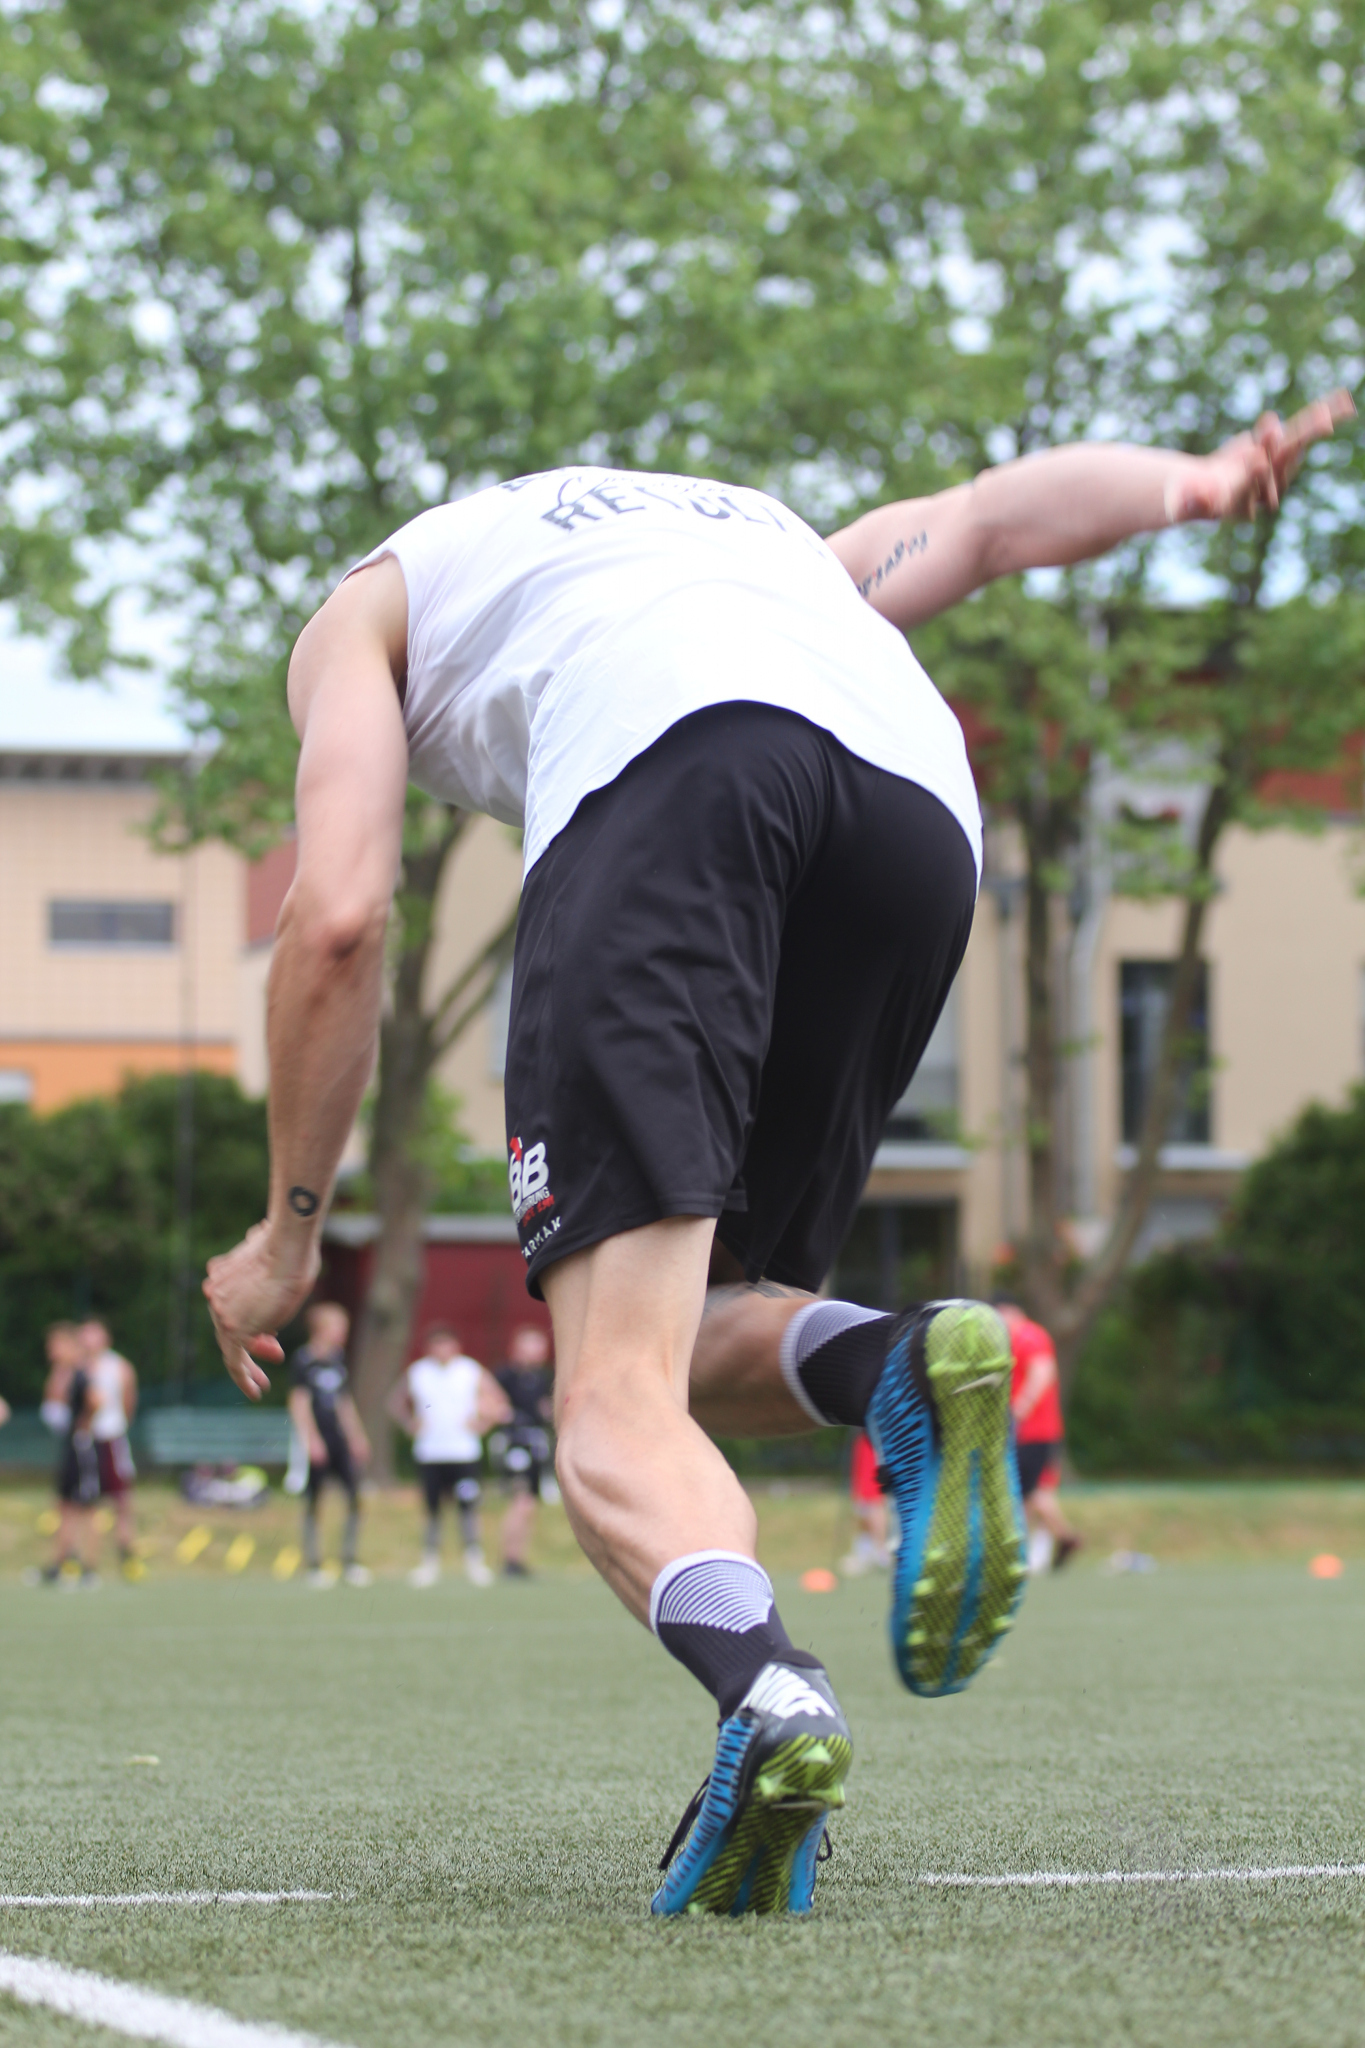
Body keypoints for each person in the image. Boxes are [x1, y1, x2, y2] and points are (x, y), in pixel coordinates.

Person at [205, 392, 1349, 1918]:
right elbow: (992, 521)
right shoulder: (770, 550)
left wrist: (288, 1229)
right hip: (915, 814)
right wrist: (1194, 484)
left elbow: (339, 916)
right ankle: (898, 1358)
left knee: (607, 1397)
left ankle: (767, 1690)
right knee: (695, 1332)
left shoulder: (363, 612)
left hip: (676, 775)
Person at [387, 1324, 510, 1587]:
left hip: (463, 1453)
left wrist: (483, 1423)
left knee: (468, 1507)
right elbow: (395, 1402)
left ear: (456, 1346)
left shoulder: (470, 1370)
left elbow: (499, 1402)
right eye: (437, 1345)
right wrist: (410, 1424)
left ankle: (474, 1560)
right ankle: (429, 1561)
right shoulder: (418, 1372)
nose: (442, 1350)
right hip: (430, 1453)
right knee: (432, 1509)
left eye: (446, 1344)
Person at [287, 1301, 371, 1586]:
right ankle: (313, 1563)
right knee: (314, 1500)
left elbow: (343, 1402)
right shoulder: (303, 1360)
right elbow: (299, 1403)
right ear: (321, 1329)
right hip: (317, 1439)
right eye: (339, 1327)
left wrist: (356, 1436)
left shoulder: (338, 1359)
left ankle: (349, 1559)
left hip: (338, 1439)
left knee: (354, 1497)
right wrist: (311, 1440)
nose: (343, 1333)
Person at [997, 1295, 1083, 1571]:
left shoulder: (1028, 1336)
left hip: (1032, 1430)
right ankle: (1058, 1539)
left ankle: (1056, 1539)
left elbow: (1043, 1371)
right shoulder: (1018, 1338)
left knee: (1024, 1490)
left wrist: (1022, 1406)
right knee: (1033, 1489)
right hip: (1036, 1430)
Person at [33, 1322, 101, 1586]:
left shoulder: (82, 1374)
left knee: (86, 1507)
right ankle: (61, 1561)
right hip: (69, 1446)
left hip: (81, 1446)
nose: (51, 1352)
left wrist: (84, 1425)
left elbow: (97, 1400)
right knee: (64, 1505)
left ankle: (89, 1566)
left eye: (56, 1346)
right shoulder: (64, 1373)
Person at [79, 1319, 142, 1581]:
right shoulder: (78, 1367)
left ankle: (127, 1556)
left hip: (111, 1439)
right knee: (87, 1504)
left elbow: (128, 1403)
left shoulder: (119, 1367)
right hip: (86, 1441)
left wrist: (117, 1426)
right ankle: (87, 1562)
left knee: (121, 1501)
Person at [493, 1323, 555, 1578]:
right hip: (515, 1445)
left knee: (529, 1504)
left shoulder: (543, 1377)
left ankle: (518, 1558)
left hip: (536, 1444)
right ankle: (509, 1558)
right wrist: (503, 1413)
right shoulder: (505, 1376)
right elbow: (490, 1403)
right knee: (520, 1501)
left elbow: (546, 1409)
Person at [841, 1431, 891, 1576]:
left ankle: (881, 1553)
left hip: (875, 1438)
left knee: (874, 1506)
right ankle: (865, 1552)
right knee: (862, 1511)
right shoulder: (861, 1440)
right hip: (864, 1438)